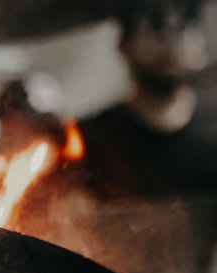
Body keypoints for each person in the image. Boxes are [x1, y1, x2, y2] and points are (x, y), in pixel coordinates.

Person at [76, 0, 216, 201]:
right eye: (155, 22)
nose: (169, 37)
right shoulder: (86, 142)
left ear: (202, 46)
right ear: (123, 43)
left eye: (186, 22)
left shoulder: (212, 138)